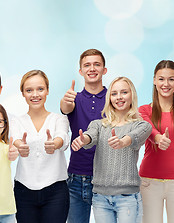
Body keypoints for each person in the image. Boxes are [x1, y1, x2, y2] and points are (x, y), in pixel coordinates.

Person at [71, 77, 152, 223]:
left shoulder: (141, 125)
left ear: (131, 95)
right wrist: (84, 140)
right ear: (109, 99)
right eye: (114, 94)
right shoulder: (98, 125)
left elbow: (134, 137)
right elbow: (91, 135)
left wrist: (122, 141)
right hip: (100, 198)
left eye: (124, 92)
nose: (119, 97)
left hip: (127, 198)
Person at [138, 60, 174, 223]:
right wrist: (157, 138)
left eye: (171, 79)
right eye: (161, 79)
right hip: (149, 183)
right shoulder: (143, 110)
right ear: (154, 80)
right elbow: (147, 127)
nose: (166, 84)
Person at [10, 70, 70, 223]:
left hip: (56, 190)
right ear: (23, 93)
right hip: (24, 190)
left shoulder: (59, 119)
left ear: (47, 91)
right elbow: (15, 138)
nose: (35, 94)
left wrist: (54, 144)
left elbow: (62, 137)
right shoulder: (17, 121)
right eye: (29, 90)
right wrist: (19, 146)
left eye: (40, 89)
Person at [59, 49, 109, 223]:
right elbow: (66, 108)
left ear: (104, 70)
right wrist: (65, 101)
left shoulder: (114, 99)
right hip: (76, 179)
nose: (92, 68)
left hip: (107, 178)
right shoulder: (74, 99)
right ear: (81, 71)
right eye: (87, 65)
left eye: (97, 64)